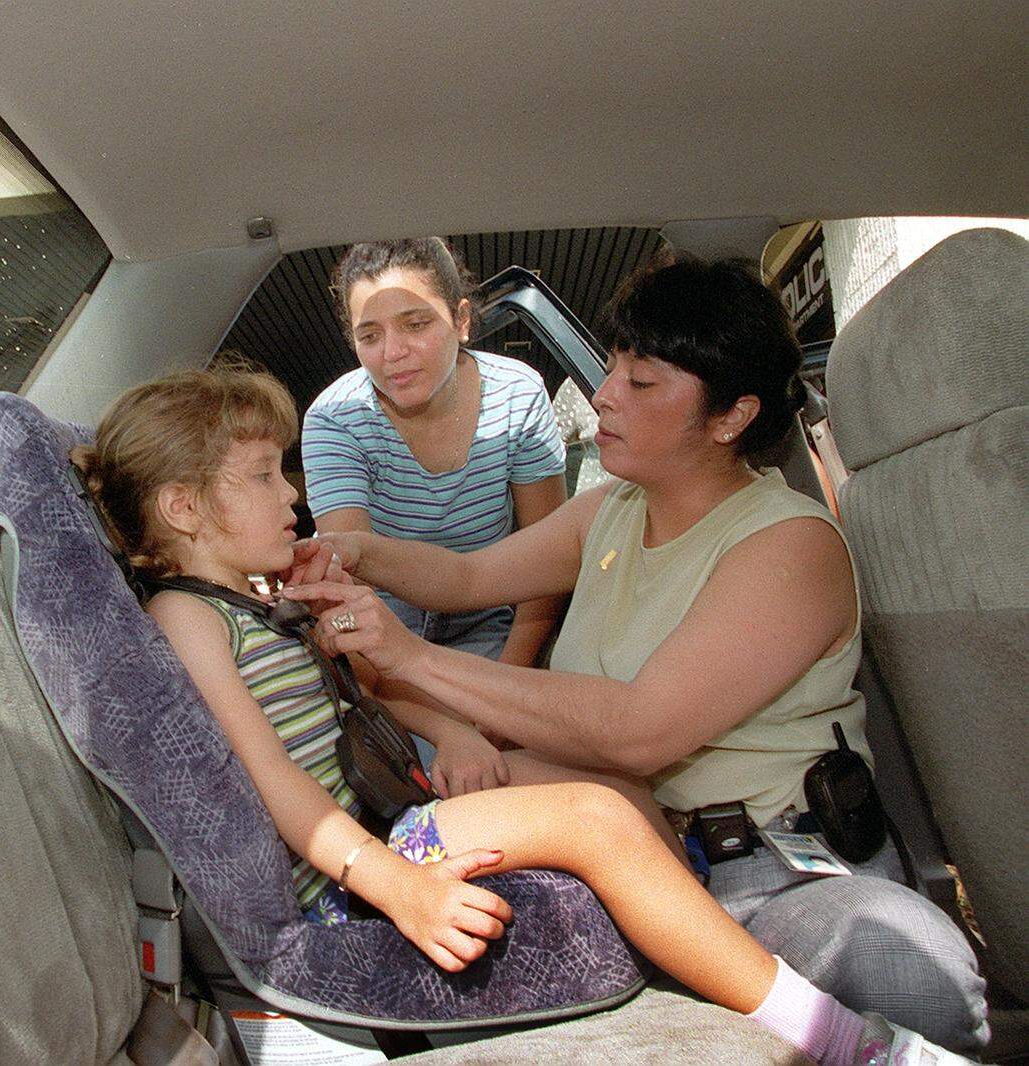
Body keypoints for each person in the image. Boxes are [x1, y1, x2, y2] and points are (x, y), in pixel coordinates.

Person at [73, 364, 968, 1066]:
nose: (293, 499)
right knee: (595, 815)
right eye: (265, 478)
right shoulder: (188, 618)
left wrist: (457, 733)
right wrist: (395, 884)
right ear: (185, 508)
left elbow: (370, 692)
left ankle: (701, 958)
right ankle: (839, 1039)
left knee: (614, 786)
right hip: (358, 867)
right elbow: (271, 780)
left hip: (391, 818)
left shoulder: (261, 603)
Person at [283, 258, 989, 1056]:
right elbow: (467, 575)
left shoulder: (787, 545)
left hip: (770, 872)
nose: (604, 395)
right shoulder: (611, 510)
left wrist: (408, 657)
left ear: (731, 417)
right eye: (611, 369)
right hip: (640, 847)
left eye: (642, 382)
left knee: (904, 961)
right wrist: (350, 551)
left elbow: (638, 732)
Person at [302, 238, 567, 668]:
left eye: (415, 324)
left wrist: (506, 686)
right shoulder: (335, 419)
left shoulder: (519, 394)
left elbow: (549, 561)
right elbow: (352, 586)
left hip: (491, 620)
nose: (393, 353)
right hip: (383, 624)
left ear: (461, 320)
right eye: (370, 335)